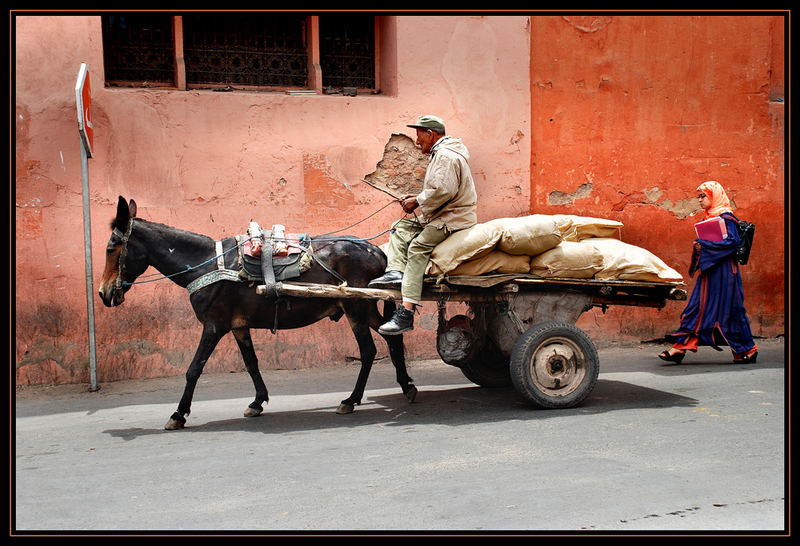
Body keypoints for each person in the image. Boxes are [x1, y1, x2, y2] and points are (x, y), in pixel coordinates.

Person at [369, 115, 477, 334]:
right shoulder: (443, 153)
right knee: (400, 227)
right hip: (441, 214)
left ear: (430, 134)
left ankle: (406, 313)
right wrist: (417, 196)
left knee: (418, 247)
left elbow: (443, 191)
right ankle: (396, 272)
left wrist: (417, 200)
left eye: (419, 137)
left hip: (452, 218)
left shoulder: (445, 155)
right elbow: (440, 188)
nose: (417, 142)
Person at [658, 181, 758, 364]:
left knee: (732, 311)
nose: (699, 200)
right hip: (710, 272)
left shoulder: (727, 218)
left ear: (715, 196)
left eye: (703, 196)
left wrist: (704, 244)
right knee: (696, 307)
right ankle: (679, 348)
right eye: (699, 196)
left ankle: (747, 350)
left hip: (726, 273)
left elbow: (732, 243)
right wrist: (699, 246)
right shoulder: (708, 218)